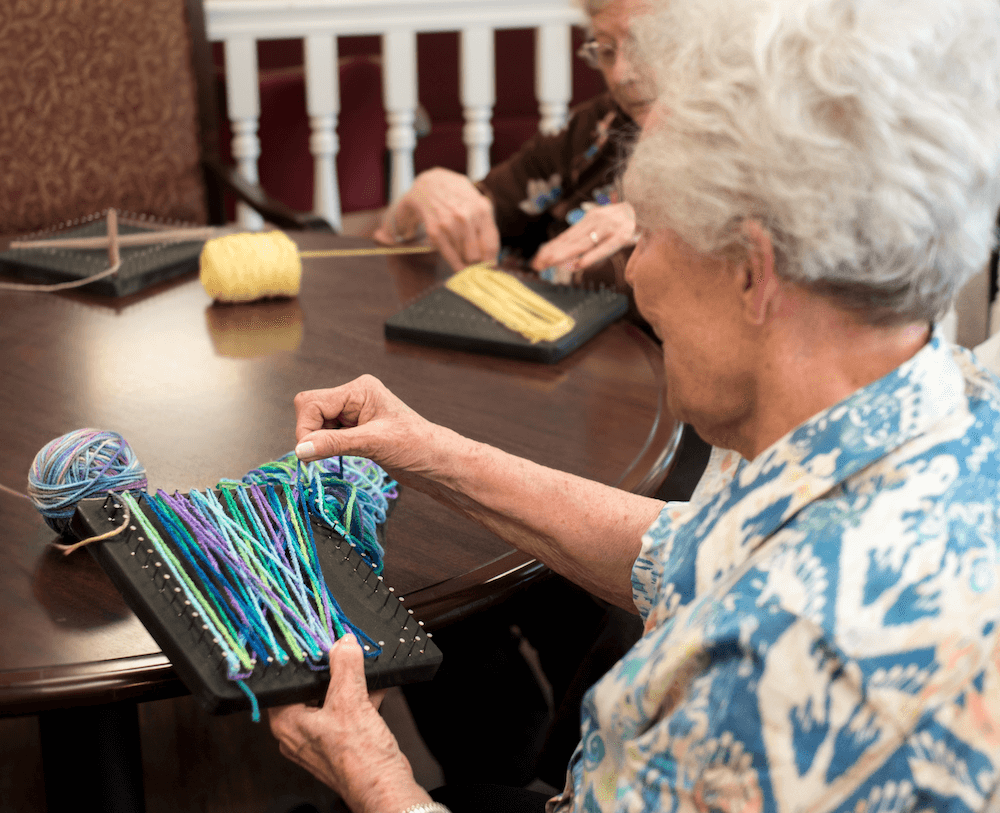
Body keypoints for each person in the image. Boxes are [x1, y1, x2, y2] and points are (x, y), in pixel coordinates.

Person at [270, 0, 1000, 810]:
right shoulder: (950, 408)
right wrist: (430, 451)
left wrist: (374, 776)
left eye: (647, 233)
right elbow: (685, 550)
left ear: (754, 272)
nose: (637, 275)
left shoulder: (766, 669)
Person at [373, 0, 655, 284]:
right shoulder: (600, 127)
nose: (620, 74)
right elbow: (481, 209)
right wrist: (423, 199)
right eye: (606, 50)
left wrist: (662, 228)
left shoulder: (701, 162)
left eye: (644, 45)